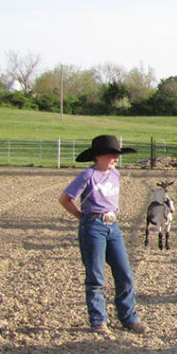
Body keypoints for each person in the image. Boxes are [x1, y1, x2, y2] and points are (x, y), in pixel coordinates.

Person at [59, 135, 147, 335]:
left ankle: (128, 317)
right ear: (98, 156)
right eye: (111, 155)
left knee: (124, 274)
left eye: (117, 155)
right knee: (96, 276)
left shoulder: (115, 174)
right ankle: (98, 321)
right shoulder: (87, 175)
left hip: (112, 226)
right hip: (92, 226)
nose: (115, 159)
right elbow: (65, 199)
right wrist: (80, 216)